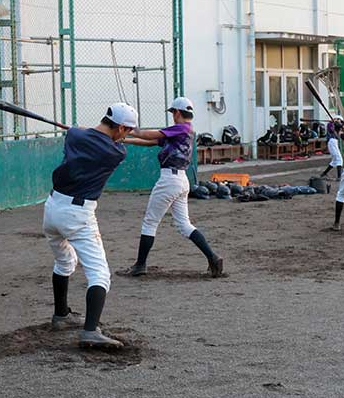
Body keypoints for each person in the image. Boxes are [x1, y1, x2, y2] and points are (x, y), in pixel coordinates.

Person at [43, 103, 139, 349]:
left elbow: (86, 133)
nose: (125, 135)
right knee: (100, 274)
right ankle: (90, 331)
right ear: (119, 126)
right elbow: (108, 140)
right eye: (125, 131)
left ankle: (61, 315)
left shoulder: (74, 135)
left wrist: (81, 130)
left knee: (65, 262)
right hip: (78, 214)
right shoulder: (116, 153)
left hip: (52, 208)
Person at [121, 97, 224, 279]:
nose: (173, 116)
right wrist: (125, 139)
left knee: (150, 222)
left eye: (173, 112)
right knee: (184, 225)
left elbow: (148, 135)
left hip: (169, 180)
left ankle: (140, 265)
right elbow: (150, 142)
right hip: (180, 180)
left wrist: (130, 129)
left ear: (177, 112)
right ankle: (213, 257)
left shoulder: (181, 128)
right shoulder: (183, 131)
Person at [320, 115, 344, 180]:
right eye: (339, 120)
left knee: (334, 161)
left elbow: (341, 126)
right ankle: (339, 177)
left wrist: (337, 122)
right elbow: (331, 130)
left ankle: (324, 173)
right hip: (332, 141)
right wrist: (333, 122)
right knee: (339, 159)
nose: (340, 122)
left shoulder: (338, 125)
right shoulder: (330, 124)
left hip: (334, 142)